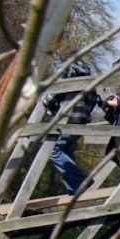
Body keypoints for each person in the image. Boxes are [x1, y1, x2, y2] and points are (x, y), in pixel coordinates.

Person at [40, 42, 103, 196]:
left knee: (53, 150)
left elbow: (57, 90)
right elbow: (93, 97)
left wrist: (46, 101)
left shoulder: (64, 67)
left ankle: (81, 180)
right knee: (67, 151)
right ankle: (74, 191)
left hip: (65, 116)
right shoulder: (87, 71)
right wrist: (86, 114)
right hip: (80, 118)